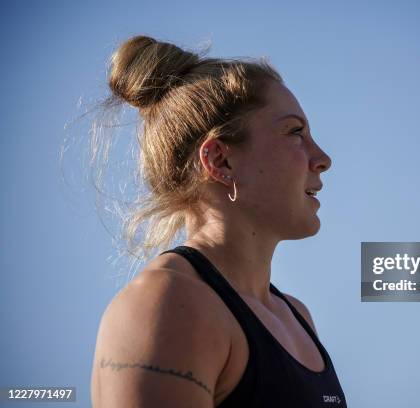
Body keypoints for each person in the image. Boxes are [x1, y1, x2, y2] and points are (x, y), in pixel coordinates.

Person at [90, 35, 347, 407]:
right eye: (295, 132)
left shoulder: (297, 318)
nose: (322, 158)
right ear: (221, 161)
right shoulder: (168, 304)